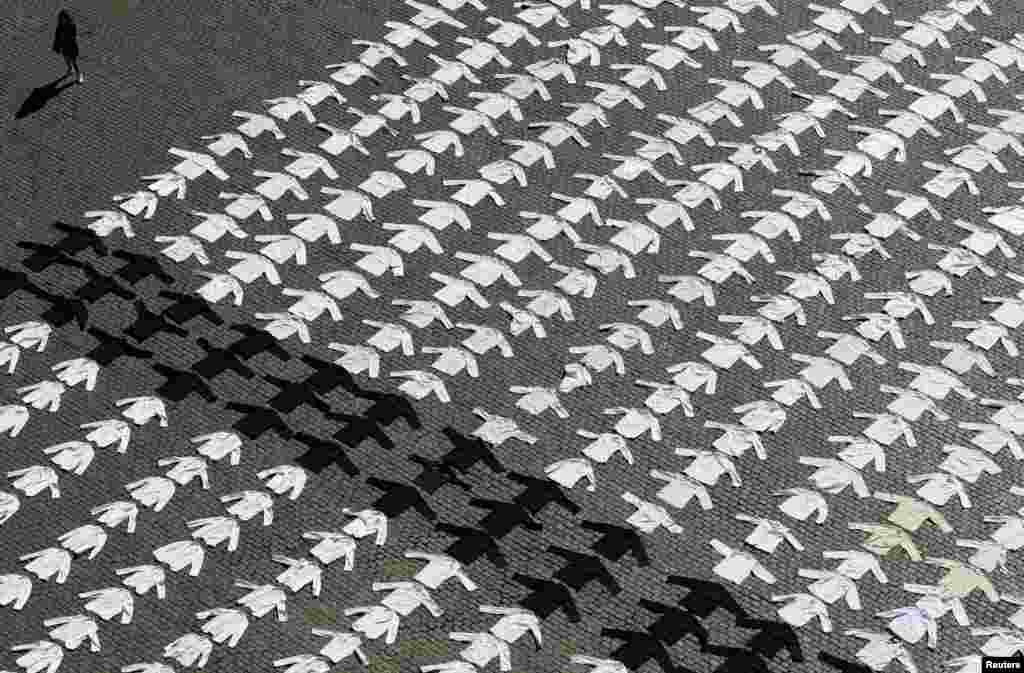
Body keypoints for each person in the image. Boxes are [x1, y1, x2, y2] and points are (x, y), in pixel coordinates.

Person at [54, 10, 83, 83]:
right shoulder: (59, 27)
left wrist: (65, 37)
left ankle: (79, 74)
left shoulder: (72, 25)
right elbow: (57, 37)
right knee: (67, 60)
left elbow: (73, 36)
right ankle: (70, 69)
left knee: (74, 61)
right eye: (61, 19)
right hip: (64, 46)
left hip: (72, 46)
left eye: (63, 18)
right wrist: (57, 46)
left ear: (67, 18)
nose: (62, 20)